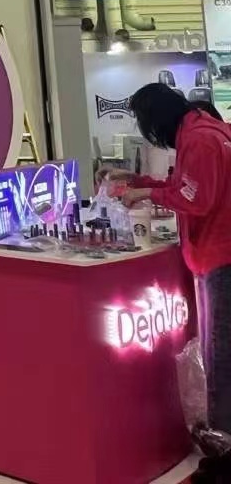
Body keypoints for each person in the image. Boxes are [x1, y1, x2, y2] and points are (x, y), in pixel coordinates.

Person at [103, 85, 231, 481]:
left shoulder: (200, 139)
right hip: (217, 255)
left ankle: (225, 456)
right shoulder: (207, 131)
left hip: (221, 258)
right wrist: (141, 181)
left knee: (220, 360)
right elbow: (189, 187)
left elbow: (197, 199)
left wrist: (144, 192)